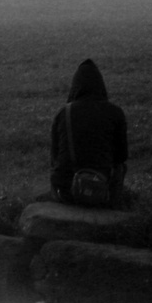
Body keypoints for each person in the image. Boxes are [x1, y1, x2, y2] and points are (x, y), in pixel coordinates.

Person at [50, 58, 128, 206]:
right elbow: (122, 156)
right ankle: (111, 200)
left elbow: (54, 157)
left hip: (66, 192)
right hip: (101, 187)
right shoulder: (115, 112)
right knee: (121, 167)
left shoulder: (64, 113)